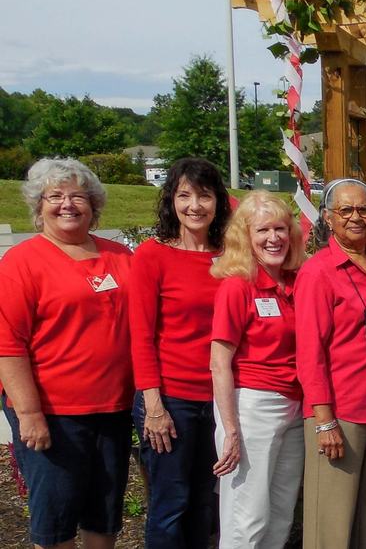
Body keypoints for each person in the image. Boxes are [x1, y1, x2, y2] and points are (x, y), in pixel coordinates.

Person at [0, 158, 133, 549]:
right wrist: (28, 414)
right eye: (55, 196)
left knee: (104, 515)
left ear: (93, 206)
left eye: (78, 196)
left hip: (114, 409)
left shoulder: (120, 255)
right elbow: (8, 345)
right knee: (55, 520)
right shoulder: (22, 262)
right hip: (54, 414)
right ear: (39, 208)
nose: (67, 204)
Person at [295, 178, 366, 549]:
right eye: (346, 210)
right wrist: (323, 419)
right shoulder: (318, 272)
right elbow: (310, 353)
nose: (356, 217)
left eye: (364, 209)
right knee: (332, 518)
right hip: (342, 411)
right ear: (328, 217)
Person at [129, 157, 232, 549]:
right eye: (184, 195)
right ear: (171, 201)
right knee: (171, 502)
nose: (195, 206)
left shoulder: (230, 256)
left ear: (218, 201)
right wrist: (153, 405)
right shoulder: (152, 256)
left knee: (205, 501)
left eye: (204, 196)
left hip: (220, 399)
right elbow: (140, 337)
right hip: (172, 399)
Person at [209, 191, 307, 548]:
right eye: (263, 230)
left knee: (280, 512)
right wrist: (231, 428)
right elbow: (219, 362)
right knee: (246, 517)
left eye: (280, 229)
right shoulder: (238, 286)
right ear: (245, 237)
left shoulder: (295, 284)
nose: (273, 238)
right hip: (254, 406)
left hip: (294, 405)